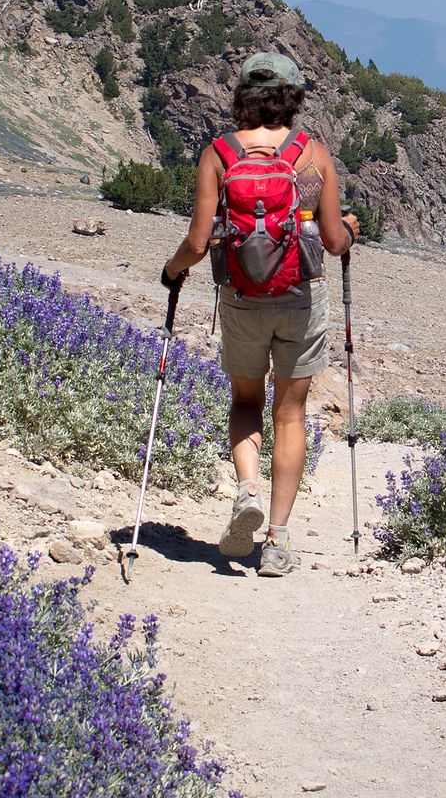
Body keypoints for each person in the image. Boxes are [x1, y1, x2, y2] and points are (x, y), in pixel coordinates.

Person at [162, 51, 358, 576]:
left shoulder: (220, 154)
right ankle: (276, 540)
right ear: (292, 98)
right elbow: (335, 241)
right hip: (300, 299)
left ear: (242, 96)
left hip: (243, 300)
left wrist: (171, 270)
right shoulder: (311, 155)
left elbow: (199, 242)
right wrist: (352, 229)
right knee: (290, 414)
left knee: (246, 401)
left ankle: (245, 490)